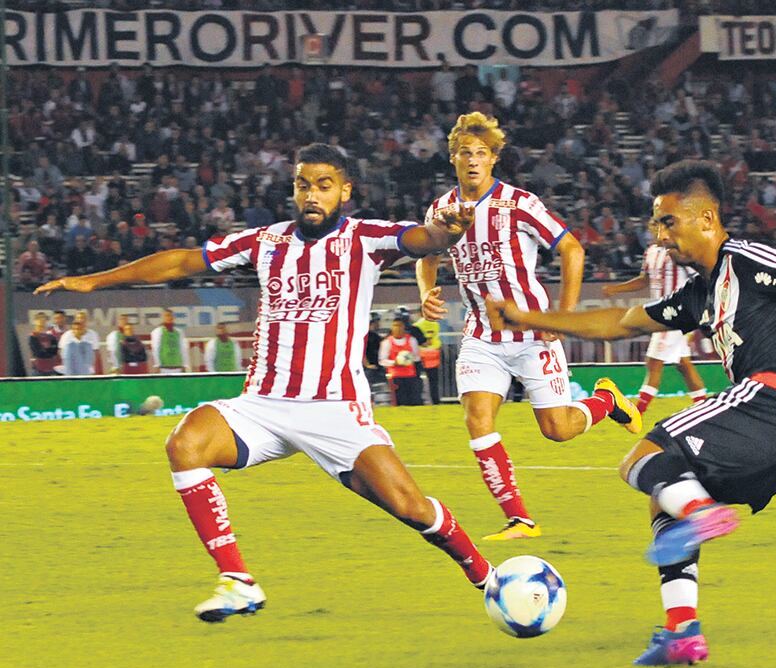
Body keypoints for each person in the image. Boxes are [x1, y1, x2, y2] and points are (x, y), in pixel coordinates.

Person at [486, 159, 776, 666]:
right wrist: (527, 316)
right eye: (655, 224)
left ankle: (703, 514)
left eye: (668, 222)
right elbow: (619, 323)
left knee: (644, 457)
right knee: (666, 498)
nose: (658, 236)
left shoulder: (747, 260)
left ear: (706, 219)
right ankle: (682, 631)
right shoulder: (700, 292)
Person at [35, 142, 494, 624]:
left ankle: (486, 575)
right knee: (185, 443)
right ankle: (237, 581)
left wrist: (446, 231)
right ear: (294, 189)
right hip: (263, 404)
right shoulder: (265, 242)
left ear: (344, 190)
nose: (312, 194)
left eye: (324, 185)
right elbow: (181, 262)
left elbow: (421, 240)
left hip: (334, 407)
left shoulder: (366, 238)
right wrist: (93, 282)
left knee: (411, 507)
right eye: (303, 185)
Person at [417, 112, 640, 541]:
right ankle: (520, 519)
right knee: (477, 419)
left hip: (533, 335)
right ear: (454, 159)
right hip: (481, 337)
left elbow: (572, 250)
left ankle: (605, 402)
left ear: (494, 159)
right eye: (466, 152)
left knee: (558, 430)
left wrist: (565, 315)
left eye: (482, 153)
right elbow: (427, 254)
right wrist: (427, 291)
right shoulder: (441, 209)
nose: (473, 160)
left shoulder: (520, 204)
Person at [603, 235, 708, 414]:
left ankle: (634, 414)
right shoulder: (651, 252)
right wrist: (616, 288)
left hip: (674, 314)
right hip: (661, 313)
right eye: (654, 225)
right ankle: (703, 407)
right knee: (684, 365)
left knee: (653, 363)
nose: (657, 230)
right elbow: (644, 280)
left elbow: (701, 278)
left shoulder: (680, 251)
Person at [379, 316, 423, 406]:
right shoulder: (386, 342)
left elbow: (417, 357)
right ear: (392, 327)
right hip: (395, 376)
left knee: (415, 401)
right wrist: (394, 362)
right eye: (395, 326)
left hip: (411, 375)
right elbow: (382, 360)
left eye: (399, 326)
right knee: (400, 401)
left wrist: (409, 359)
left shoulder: (411, 340)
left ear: (404, 327)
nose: (397, 328)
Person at [414, 306, 443, 405]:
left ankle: (419, 401)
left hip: (420, 355)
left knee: (418, 380)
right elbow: (436, 340)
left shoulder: (417, 325)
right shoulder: (436, 325)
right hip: (433, 355)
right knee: (433, 382)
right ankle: (436, 401)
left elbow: (417, 342)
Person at [58, 310, 100, 376]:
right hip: (71, 370)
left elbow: (95, 352)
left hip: (86, 371)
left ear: (86, 320)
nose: (81, 320)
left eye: (83, 318)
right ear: (75, 319)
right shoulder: (67, 335)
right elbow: (62, 353)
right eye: (79, 318)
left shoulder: (93, 334)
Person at [150, 308, 190, 373]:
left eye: (171, 315)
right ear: (162, 318)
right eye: (167, 315)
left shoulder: (179, 332)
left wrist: (185, 365)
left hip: (178, 366)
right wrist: (157, 365)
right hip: (164, 367)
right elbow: (155, 349)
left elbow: (183, 349)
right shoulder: (158, 332)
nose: (169, 317)